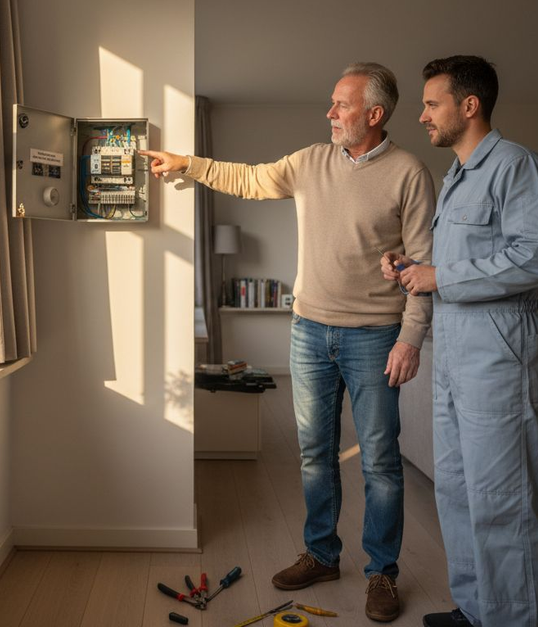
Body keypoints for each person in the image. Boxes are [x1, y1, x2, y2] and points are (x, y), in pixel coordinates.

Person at [143, 62, 435, 623]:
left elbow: (422, 264)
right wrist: (188, 164)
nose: (329, 113)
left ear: (374, 115)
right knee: (315, 455)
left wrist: (411, 339)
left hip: (376, 336)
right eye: (331, 102)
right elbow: (251, 179)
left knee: (378, 460)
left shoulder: (409, 173)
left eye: (341, 105)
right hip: (307, 330)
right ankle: (323, 554)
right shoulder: (310, 161)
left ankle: (381, 573)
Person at [381, 56, 538, 627]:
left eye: (431, 104)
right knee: (457, 494)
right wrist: (415, 267)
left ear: (469, 105)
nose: (421, 115)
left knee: (502, 503)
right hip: (454, 354)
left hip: (497, 354)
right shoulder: (458, 177)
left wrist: (443, 276)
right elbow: (463, 263)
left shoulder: (518, 167)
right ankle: (476, 611)